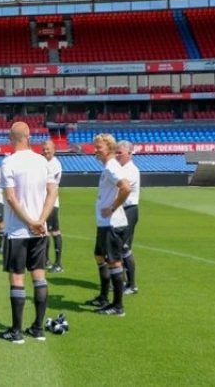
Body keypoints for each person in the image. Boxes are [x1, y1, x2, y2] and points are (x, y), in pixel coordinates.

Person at [0, 123, 58, 344]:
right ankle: (38, 328)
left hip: (18, 230)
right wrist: (40, 220)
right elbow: (52, 193)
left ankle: (16, 331)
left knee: (18, 278)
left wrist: (31, 222)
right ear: (29, 137)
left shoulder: (8, 162)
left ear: (11, 137)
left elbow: (11, 198)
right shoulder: (43, 161)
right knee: (39, 276)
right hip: (40, 231)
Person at [85, 134, 131, 317]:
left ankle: (118, 306)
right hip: (105, 223)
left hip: (112, 224)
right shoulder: (108, 167)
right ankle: (104, 297)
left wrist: (112, 207)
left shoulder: (112, 167)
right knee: (99, 255)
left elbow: (126, 187)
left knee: (114, 262)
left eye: (99, 147)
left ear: (110, 149)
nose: (95, 150)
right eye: (95, 147)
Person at [116, 140, 140, 295]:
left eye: (120, 152)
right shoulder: (120, 168)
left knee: (125, 248)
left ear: (129, 153)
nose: (117, 155)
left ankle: (131, 284)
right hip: (120, 210)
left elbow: (121, 189)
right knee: (117, 247)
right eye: (116, 152)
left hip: (129, 210)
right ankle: (122, 281)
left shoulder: (131, 170)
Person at [42, 140, 64, 273]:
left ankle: (58, 262)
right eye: (44, 149)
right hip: (42, 203)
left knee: (54, 232)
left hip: (51, 204)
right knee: (44, 232)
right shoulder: (41, 162)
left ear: (54, 150)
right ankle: (45, 260)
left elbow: (48, 183)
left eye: (48, 149)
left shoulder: (55, 164)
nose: (45, 151)